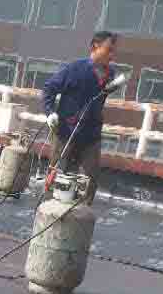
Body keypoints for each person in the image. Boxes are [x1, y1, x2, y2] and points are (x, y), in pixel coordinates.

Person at [41, 31, 118, 205]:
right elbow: (49, 89)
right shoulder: (74, 69)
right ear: (95, 47)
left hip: (91, 135)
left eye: (113, 51)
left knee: (90, 178)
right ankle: (48, 209)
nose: (111, 55)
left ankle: (82, 213)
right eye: (108, 50)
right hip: (65, 132)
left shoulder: (110, 74)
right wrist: (50, 112)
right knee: (58, 175)